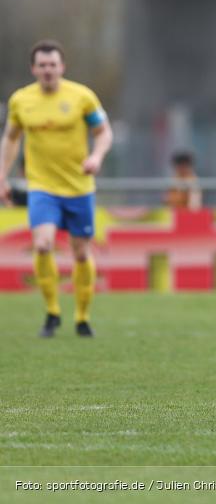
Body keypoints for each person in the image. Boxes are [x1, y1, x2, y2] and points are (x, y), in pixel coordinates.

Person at [0, 40, 113, 337]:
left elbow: (103, 133)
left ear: (62, 67)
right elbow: (11, 139)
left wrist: (96, 157)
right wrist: (2, 176)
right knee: (42, 245)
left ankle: (82, 316)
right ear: (33, 68)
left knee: (79, 253)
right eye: (42, 65)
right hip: (42, 186)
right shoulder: (21, 101)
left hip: (79, 186)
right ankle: (52, 312)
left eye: (53, 65)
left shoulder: (82, 97)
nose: (48, 70)